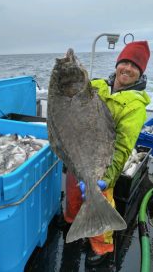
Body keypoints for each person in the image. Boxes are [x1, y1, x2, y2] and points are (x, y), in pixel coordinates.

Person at [63, 40, 151, 267]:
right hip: (79, 156)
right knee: (73, 195)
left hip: (104, 165)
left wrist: (107, 177)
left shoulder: (135, 106)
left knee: (99, 204)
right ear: (117, 63)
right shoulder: (98, 85)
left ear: (140, 72)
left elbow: (122, 147)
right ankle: (74, 225)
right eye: (125, 62)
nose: (127, 68)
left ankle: (102, 248)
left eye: (135, 66)